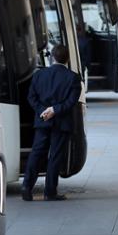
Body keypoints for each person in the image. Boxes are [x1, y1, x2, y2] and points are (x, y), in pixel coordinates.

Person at [22, 44, 82, 201]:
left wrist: (44, 111)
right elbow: (71, 102)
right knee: (55, 156)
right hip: (62, 123)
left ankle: (27, 187)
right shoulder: (73, 78)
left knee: (36, 153)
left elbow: (31, 98)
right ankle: (50, 191)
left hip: (42, 121)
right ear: (67, 59)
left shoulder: (39, 75)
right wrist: (54, 110)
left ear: (52, 57)